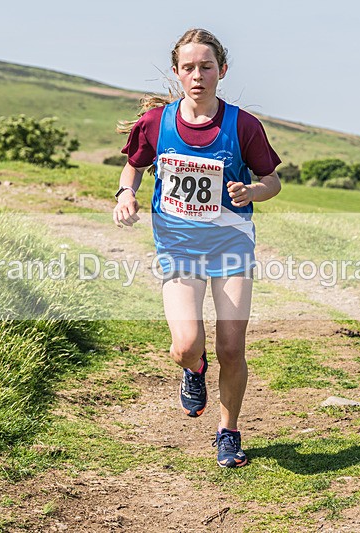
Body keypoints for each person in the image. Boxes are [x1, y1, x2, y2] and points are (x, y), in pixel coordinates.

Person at [112, 28, 282, 468]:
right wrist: (126, 194)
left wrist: (253, 192)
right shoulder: (156, 123)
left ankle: (229, 431)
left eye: (207, 67)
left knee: (231, 346)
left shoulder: (243, 125)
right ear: (177, 72)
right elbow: (133, 167)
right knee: (186, 345)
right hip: (179, 246)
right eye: (189, 67)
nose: (198, 75)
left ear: (221, 70)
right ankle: (194, 368)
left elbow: (272, 181)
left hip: (230, 244)